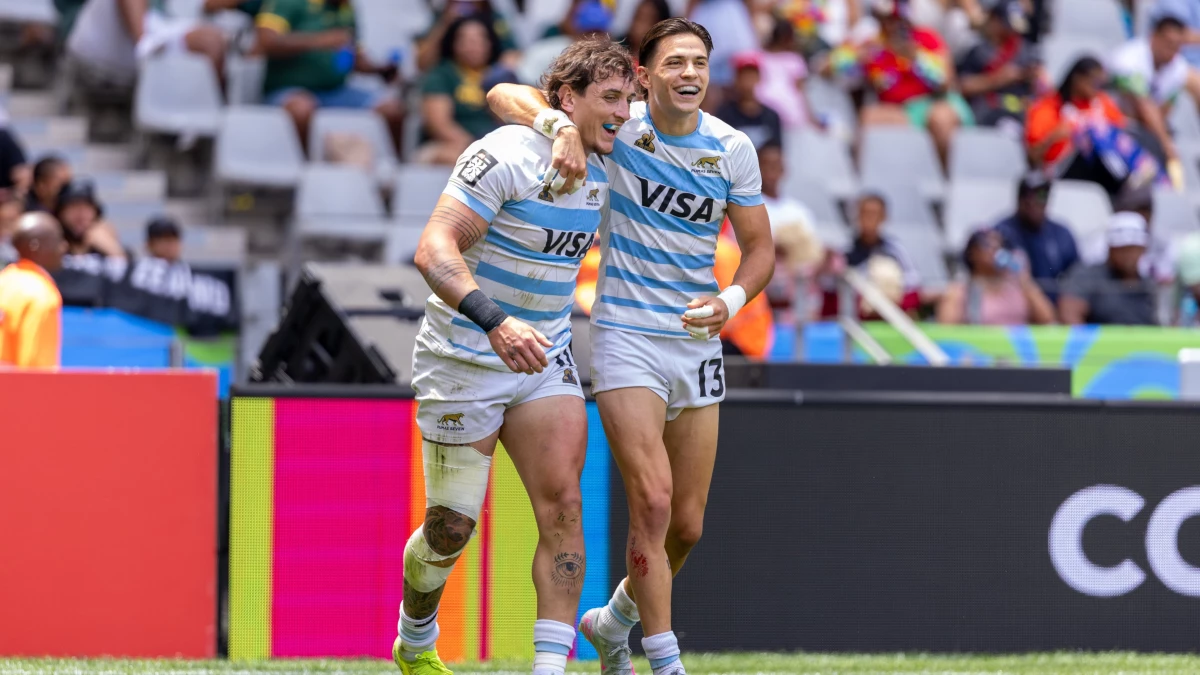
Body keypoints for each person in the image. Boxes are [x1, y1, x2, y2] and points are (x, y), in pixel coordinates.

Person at [487, 18, 776, 675]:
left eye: (699, 61)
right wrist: (560, 126)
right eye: (674, 61)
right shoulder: (621, 126)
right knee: (650, 499)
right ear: (645, 75)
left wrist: (729, 303)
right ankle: (665, 660)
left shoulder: (732, 149)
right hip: (624, 336)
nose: (690, 73)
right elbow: (505, 94)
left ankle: (611, 622)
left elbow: (760, 252)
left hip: (696, 342)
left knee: (688, 525)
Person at [393, 37, 635, 675]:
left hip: (544, 357)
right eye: (610, 98)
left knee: (564, 507)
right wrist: (496, 323)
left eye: (629, 99)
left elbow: (508, 93)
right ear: (566, 99)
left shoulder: (613, 156)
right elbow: (433, 250)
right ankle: (414, 637)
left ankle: (549, 669)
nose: (625, 113)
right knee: (450, 530)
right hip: (464, 354)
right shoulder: (503, 155)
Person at [255, 0, 404, 156]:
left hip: (337, 90)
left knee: (392, 110)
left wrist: (380, 70)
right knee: (302, 108)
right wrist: (318, 41)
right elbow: (266, 41)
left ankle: (393, 171)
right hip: (287, 88)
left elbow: (354, 57)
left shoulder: (346, 8)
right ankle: (306, 169)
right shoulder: (289, 3)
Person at [852, 0, 973, 169]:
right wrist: (854, 57)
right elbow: (833, 68)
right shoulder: (873, 47)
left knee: (941, 119)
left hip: (935, 102)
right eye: (885, 20)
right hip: (899, 110)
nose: (891, 26)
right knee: (869, 117)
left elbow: (946, 83)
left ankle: (948, 179)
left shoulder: (927, 38)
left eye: (896, 20)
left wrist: (916, 58)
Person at [65, 0, 226, 88]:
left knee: (213, 41)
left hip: (160, 30)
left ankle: (193, 132)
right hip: (99, 54)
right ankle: (145, 48)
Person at [1108, 14, 1189, 176]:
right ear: (1154, 36)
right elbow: (1143, 105)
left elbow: (1164, 111)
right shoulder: (1128, 59)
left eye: (1177, 46)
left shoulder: (1179, 68)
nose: (1172, 51)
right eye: (1168, 43)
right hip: (1112, 127)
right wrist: (1167, 146)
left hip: (1144, 131)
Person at [418, 17, 505, 165]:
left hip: (495, 148)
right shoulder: (441, 74)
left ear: (490, 43)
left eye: (479, 39)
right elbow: (439, 125)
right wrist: (477, 148)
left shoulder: (501, 75)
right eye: (464, 40)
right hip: (448, 146)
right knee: (471, 161)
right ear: (453, 44)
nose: (472, 45)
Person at [936, 228, 1055, 325]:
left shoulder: (1018, 286)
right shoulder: (959, 291)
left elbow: (1047, 319)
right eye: (987, 244)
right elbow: (947, 331)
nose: (995, 249)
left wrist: (1024, 279)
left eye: (1000, 244)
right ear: (972, 253)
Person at [956, 1, 1040, 134]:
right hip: (984, 113)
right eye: (1007, 25)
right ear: (995, 20)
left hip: (1019, 114)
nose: (1012, 31)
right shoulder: (978, 51)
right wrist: (996, 79)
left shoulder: (1027, 51)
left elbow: (1042, 86)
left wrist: (1035, 79)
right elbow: (962, 86)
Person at [1059, 212, 1157, 325]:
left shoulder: (1147, 284)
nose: (1128, 256)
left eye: (1133, 248)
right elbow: (1069, 315)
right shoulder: (1088, 275)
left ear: (1143, 249)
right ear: (1110, 248)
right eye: (1122, 249)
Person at [993, 173, 1080, 301]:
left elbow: (1077, 275)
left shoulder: (1062, 234)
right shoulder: (1000, 232)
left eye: (1042, 195)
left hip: (1055, 307)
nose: (1034, 202)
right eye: (1029, 195)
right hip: (1014, 305)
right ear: (1019, 199)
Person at [0, 212, 66, 368]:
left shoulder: (4, 280)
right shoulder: (41, 294)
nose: (64, 246)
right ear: (35, 246)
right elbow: (36, 372)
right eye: (57, 240)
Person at [845, 192, 921, 314]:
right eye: (865, 213)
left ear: (884, 217)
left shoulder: (895, 248)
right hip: (857, 310)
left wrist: (889, 286)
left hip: (891, 308)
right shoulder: (845, 249)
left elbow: (913, 279)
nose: (870, 219)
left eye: (875, 214)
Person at [714, 53, 783, 149]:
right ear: (736, 79)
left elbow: (776, 152)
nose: (748, 81)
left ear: (759, 78)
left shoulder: (771, 116)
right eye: (744, 76)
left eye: (752, 75)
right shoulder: (724, 114)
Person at [55, 178, 126, 259]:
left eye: (87, 207)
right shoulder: (53, 246)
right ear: (61, 213)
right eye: (73, 207)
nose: (81, 214)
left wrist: (113, 249)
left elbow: (126, 267)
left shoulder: (104, 246)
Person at [622, 0, 673, 65]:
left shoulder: (663, 64)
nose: (637, 25)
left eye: (644, 20)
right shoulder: (617, 48)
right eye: (637, 17)